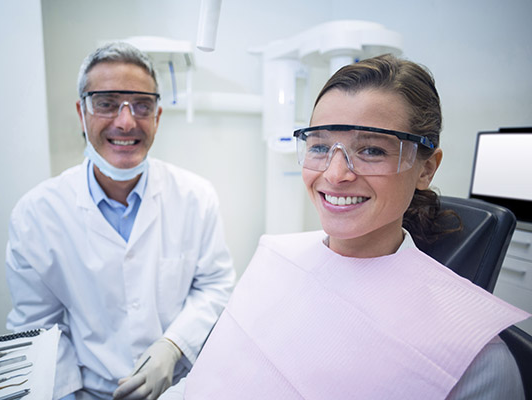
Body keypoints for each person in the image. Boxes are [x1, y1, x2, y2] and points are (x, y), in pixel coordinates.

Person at [160, 54, 530, 399]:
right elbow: (208, 377)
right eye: (320, 146)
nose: (335, 174)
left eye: (372, 150)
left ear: (426, 169)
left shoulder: (474, 362)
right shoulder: (276, 258)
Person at [5, 42, 235, 400]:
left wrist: (174, 345)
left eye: (142, 105)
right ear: (82, 112)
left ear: (157, 116)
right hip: (87, 391)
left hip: (181, 387)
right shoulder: (36, 215)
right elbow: (39, 326)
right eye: (107, 103)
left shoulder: (196, 197)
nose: (126, 121)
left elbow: (216, 286)